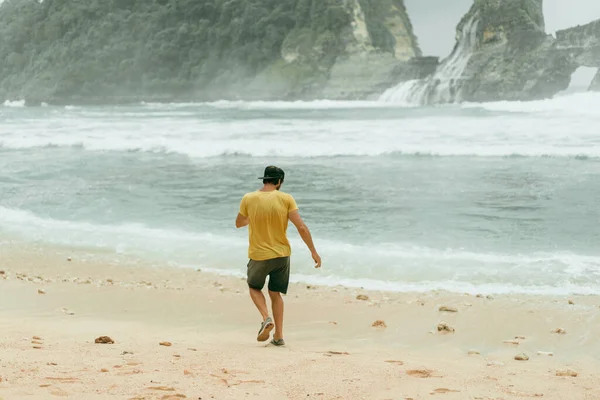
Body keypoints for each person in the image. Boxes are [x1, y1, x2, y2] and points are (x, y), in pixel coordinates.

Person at [236, 166, 321, 346]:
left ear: (264, 180)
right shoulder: (286, 199)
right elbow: (302, 227)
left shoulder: (249, 198)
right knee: (275, 293)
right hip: (282, 255)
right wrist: (313, 251)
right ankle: (278, 336)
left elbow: (239, 223)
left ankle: (266, 318)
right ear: (279, 181)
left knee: (254, 287)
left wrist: (254, 216)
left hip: (259, 255)